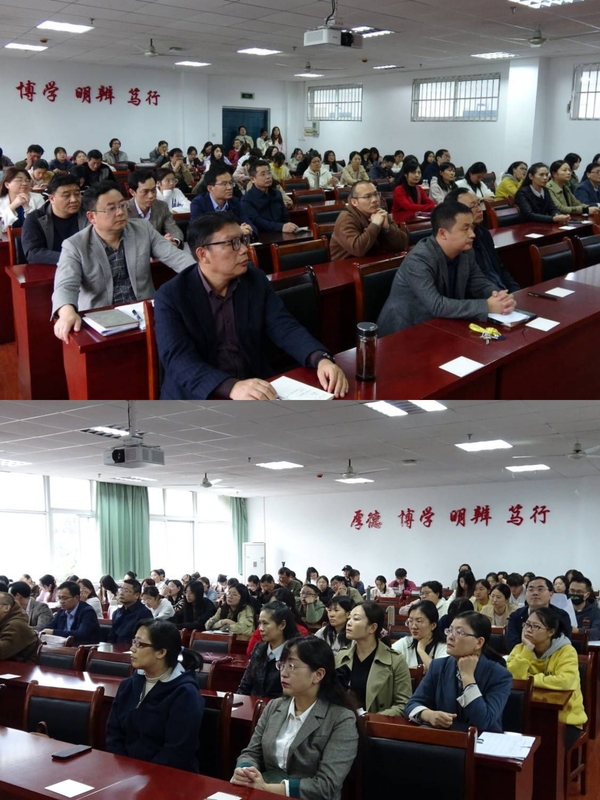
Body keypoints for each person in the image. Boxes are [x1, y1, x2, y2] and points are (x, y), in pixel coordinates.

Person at [154, 212, 348, 400]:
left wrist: (320, 358)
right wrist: (231, 386)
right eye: (233, 243)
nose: (244, 249)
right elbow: (178, 360)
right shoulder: (171, 296)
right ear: (203, 254)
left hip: (253, 387)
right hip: (197, 396)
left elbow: (284, 326)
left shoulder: (254, 280)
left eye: (243, 240)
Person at [52, 181, 194, 343]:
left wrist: (202, 276)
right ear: (92, 217)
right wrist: (66, 312)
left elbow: (176, 257)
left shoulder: (142, 229)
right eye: (111, 208)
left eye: (122, 205)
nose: (120, 212)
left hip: (144, 313)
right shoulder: (75, 245)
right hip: (101, 319)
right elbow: (65, 284)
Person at [232, 636, 359, 799]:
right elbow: (252, 752)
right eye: (282, 665)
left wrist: (268, 788)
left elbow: (326, 785)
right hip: (263, 791)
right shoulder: (274, 706)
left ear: (318, 675)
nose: (283, 673)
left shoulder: (341, 719)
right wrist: (245, 771)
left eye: (292, 666)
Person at [377, 200, 515, 335]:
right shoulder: (419, 259)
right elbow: (437, 305)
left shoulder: (466, 252)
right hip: (403, 331)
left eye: (472, 227)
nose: (472, 234)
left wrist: (499, 297)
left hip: (441, 325)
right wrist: (487, 306)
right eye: (465, 229)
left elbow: (479, 283)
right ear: (443, 233)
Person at [106, 619, 204, 771]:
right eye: (134, 641)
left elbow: (176, 752)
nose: (132, 649)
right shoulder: (128, 685)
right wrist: (124, 766)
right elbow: (113, 733)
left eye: (140, 644)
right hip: (125, 771)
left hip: (167, 775)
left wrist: (142, 774)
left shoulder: (185, 694)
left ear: (161, 652)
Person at [405, 611, 512, 731]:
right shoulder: (438, 666)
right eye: (450, 630)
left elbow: (484, 722)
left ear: (479, 642)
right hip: (445, 738)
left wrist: (467, 677)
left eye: (459, 632)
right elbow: (411, 704)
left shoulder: (499, 675)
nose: (450, 637)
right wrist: (428, 715)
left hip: (482, 740)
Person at [506, 606, 587, 746]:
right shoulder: (520, 649)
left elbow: (566, 682)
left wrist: (529, 679)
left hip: (567, 718)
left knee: (546, 744)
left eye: (536, 626)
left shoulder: (566, 651)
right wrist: (527, 651)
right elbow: (512, 679)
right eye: (527, 624)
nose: (528, 629)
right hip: (528, 712)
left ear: (551, 632)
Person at [336, 601, 411, 715]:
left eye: (356, 619)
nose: (349, 623)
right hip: (343, 721)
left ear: (372, 628)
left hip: (376, 722)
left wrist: (372, 719)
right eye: (349, 618)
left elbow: (403, 704)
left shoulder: (395, 660)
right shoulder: (342, 656)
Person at [448, 191, 520, 294]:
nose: (479, 209)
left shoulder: (484, 233)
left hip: (502, 291)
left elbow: (499, 268)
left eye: (479, 204)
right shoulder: (457, 244)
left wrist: (516, 291)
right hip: (487, 296)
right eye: (472, 207)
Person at [330, 180, 408, 260]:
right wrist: (375, 224)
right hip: (347, 264)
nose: (375, 200)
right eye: (367, 197)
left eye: (376, 194)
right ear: (354, 202)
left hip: (375, 261)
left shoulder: (380, 213)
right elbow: (358, 249)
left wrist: (387, 228)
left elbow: (403, 244)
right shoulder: (345, 219)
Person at [20, 174, 87, 264]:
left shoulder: (89, 215)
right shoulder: (35, 219)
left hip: (84, 267)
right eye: (66, 195)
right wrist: (70, 258)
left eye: (77, 194)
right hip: (51, 268)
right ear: (51, 199)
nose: (74, 200)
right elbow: (32, 252)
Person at [238, 603, 300, 697]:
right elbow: (245, 685)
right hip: (252, 704)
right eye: (260, 623)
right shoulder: (259, 648)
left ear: (282, 625)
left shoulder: (295, 654)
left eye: (265, 623)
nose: (260, 629)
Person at [506, 576, 573, 651]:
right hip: (522, 655)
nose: (535, 593)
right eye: (531, 590)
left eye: (540, 589)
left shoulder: (561, 616)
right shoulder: (516, 616)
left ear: (551, 594)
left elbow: (563, 644)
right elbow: (512, 645)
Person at [190, 167, 255, 235]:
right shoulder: (198, 204)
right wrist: (236, 231)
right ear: (210, 188)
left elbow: (249, 224)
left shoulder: (234, 202)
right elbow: (198, 232)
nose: (230, 187)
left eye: (230, 183)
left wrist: (248, 230)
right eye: (224, 184)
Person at [126, 169, 184, 245]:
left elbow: (173, 229)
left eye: (153, 190)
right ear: (132, 192)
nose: (151, 196)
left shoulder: (162, 206)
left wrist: (174, 241)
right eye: (145, 191)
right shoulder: (124, 210)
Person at [241, 160, 298, 233]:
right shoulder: (247, 200)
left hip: (282, 233)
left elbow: (285, 217)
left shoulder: (277, 193)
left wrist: (289, 226)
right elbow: (257, 222)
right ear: (252, 179)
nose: (268, 177)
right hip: (263, 236)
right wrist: (281, 227)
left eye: (269, 173)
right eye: (263, 174)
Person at [392, 600, 448, 670]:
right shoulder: (405, 643)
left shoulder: (444, 647)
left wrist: (421, 650)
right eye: (410, 621)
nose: (413, 626)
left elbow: (439, 672)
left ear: (433, 625)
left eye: (419, 621)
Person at [391, 157, 436, 223]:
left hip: (415, 219)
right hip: (399, 222)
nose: (417, 175)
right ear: (405, 174)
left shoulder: (419, 189)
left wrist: (435, 206)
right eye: (413, 172)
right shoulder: (399, 190)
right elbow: (409, 207)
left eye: (419, 172)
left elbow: (429, 202)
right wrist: (431, 206)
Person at [109, 579, 153, 643]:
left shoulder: (144, 613)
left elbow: (145, 639)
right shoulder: (116, 613)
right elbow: (111, 637)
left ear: (137, 595)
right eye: (121, 589)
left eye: (126, 591)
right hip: (115, 648)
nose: (121, 593)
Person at [0, 592, 39, 662]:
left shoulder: (16, 624)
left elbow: (2, 651)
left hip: (18, 667)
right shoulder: (5, 620)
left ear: (6, 608)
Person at [569, 575, 600, 640]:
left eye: (579, 592)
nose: (575, 594)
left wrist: (578, 631)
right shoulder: (562, 611)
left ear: (587, 595)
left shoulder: (596, 612)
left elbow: (597, 632)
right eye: (572, 591)